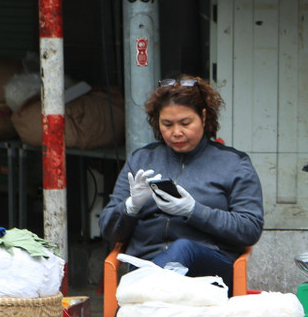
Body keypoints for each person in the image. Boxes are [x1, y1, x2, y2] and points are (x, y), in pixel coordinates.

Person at [100, 75, 264, 288]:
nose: (176, 132)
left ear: (203, 118)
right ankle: (143, 300)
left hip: (209, 269)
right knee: (162, 267)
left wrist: (193, 211)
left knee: (183, 248)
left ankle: (126, 314)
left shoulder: (233, 163)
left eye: (185, 123)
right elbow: (108, 230)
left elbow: (250, 228)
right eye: (167, 124)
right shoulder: (141, 159)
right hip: (145, 264)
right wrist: (131, 207)